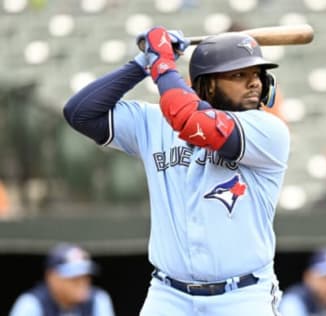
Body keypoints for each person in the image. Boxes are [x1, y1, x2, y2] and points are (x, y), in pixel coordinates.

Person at [63, 26, 289, 315]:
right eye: (237, 75)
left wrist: (163, 64)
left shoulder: (267, 130)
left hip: (242, 296)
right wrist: (142, 64)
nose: (253, 83)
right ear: (206, 85)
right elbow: (80, 113)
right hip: (169, 295)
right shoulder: (154, 122)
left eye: (256, 74)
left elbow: (190, 121)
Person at [9, 243, 115, 316]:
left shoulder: (98, 299)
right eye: (74, 278)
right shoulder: (32, 303)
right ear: (52, 278)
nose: (82, 283)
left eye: (85, 277)